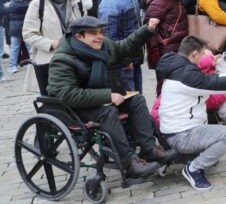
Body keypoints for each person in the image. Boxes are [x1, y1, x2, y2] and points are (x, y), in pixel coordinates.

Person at [47, 16, 177, 178]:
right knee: (108, 112)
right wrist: (107, 95)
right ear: (78, 36)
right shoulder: (63, 60)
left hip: (98, 98)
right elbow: (67, 95)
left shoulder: (102, 45)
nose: (100, 36)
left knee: (137, 100)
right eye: (93, 33)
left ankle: (149, 150)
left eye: (101, 32)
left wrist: (147, 30)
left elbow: (124, 47)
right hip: (73, 108)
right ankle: (129, 163)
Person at [157, 35, 226, 191]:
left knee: (212, 156)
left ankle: (173, 159)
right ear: (194, 54)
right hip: (181, 135)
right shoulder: (187, 75)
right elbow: (217, 83)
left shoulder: (177, 69)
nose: (204, 58)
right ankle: (193, 169)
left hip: (175, 130)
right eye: (202, 54)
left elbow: (214, 78)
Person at [22, 0, 85, 93]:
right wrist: (52, 43)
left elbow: (84, 25)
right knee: (56, 98)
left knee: (78, 94)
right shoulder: (37, 4)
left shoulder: (75, 2)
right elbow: (28, 34)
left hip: (76, 58)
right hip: (50, 61)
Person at [99, 0, 144, 92]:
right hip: (123, 63)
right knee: (130, 100)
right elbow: (108, 36)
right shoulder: (110, 1)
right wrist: (123, 60)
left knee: (137, 98)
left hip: (133, 57)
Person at [142, 0, 188, 78]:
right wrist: (156, 56)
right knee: (165, 86)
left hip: (175, 48)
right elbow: (150, 29)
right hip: (166, 51)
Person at [1, 0, 30, 74]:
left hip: (14, 28)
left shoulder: (11, 4)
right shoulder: (29, 4)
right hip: (26, 28)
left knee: (14, 48)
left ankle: (12, 66)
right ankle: (34, 63)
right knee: (30, 47)